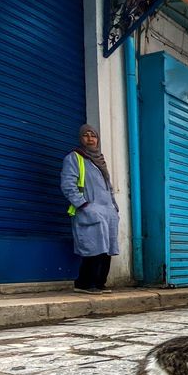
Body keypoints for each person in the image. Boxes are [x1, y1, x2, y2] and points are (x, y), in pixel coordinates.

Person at [60, 124, 120, 293]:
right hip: (90, 209)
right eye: (86, 135)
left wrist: (114, 208)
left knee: (106, 249)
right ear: (81, 139)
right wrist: (84, 204)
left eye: (93, 135)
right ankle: (85, 284)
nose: (90, 138)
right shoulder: (74, 158)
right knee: (93, 248)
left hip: (107, 211)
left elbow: (108, 187)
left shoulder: (100, 160)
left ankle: (100, 283)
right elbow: (68, 184)